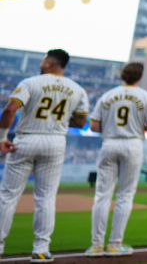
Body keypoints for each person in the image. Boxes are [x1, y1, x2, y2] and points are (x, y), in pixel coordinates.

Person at [0, 49, 90, 261]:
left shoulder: (30, 82)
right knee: (46, 197)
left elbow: (10, 110)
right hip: (55, 141)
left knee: (8, 196)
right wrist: (56, 120)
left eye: (43, 60)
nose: (41, 63)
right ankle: (41, 249)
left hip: (27, 138)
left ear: (49, 63)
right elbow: (79, 121)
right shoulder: (78, 89)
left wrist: (2, 136)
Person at [86, 62, 147, 257]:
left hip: (109, 142)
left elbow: (93, 126)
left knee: (102, 195)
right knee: (125, 195)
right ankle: (114, 244)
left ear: (122, 75)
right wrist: (135, 127)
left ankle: (96, 245)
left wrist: (113, 128)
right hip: (133, 144)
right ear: (140, 76)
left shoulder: (107, 95)